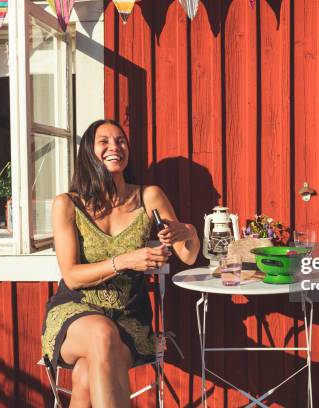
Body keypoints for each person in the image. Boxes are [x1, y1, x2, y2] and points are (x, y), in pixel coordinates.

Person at [41, 119, 200, 407]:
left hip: (129, 317)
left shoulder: (148, 196)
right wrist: (127, 260)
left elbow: (187, 255)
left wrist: (188, 231)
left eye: (121, 141)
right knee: (101, 333)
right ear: (89, 151)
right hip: (75, 312)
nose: (114, 147)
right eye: (104, 141)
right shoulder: (67, 204)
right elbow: (73, 277)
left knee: (86, 375)